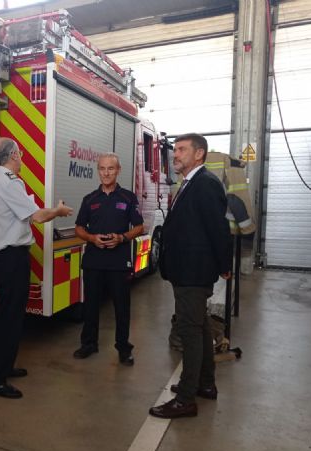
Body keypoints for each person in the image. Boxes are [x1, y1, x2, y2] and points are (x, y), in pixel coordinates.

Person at [0, 137, 72, 399]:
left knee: (11, 315)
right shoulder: (8, 183)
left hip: (7, 257)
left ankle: (5, 366)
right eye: (19, 154)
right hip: (11, 258)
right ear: (14, 155)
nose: (21, 158)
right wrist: (58, 211)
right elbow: (38, 216)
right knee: (8, 318)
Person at [149, 133, 232, 419]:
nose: (176, 154)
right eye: (176, 150)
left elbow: (218, 229)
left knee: (189, 330)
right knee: (200, 327)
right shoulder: (190, 183)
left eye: (182, 150)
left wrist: (225, 264)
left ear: (199, 154)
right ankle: (205, 384)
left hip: (194, 271)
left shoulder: (205, 184)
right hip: (186, 269)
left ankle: (186, 399)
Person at [73, 153, 144, 365]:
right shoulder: (89, 199)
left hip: (119, 262)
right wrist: (91, 238)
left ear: (118, 170)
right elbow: (79, 227)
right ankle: (88, 344)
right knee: (91, 306)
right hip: (93, 261)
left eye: (110, 168)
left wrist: (122, 238)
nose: (106, 173)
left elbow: (139, 226)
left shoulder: (128, 198)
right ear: (98, 170)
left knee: (121, 307)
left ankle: (123, 348)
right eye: (102, 168)